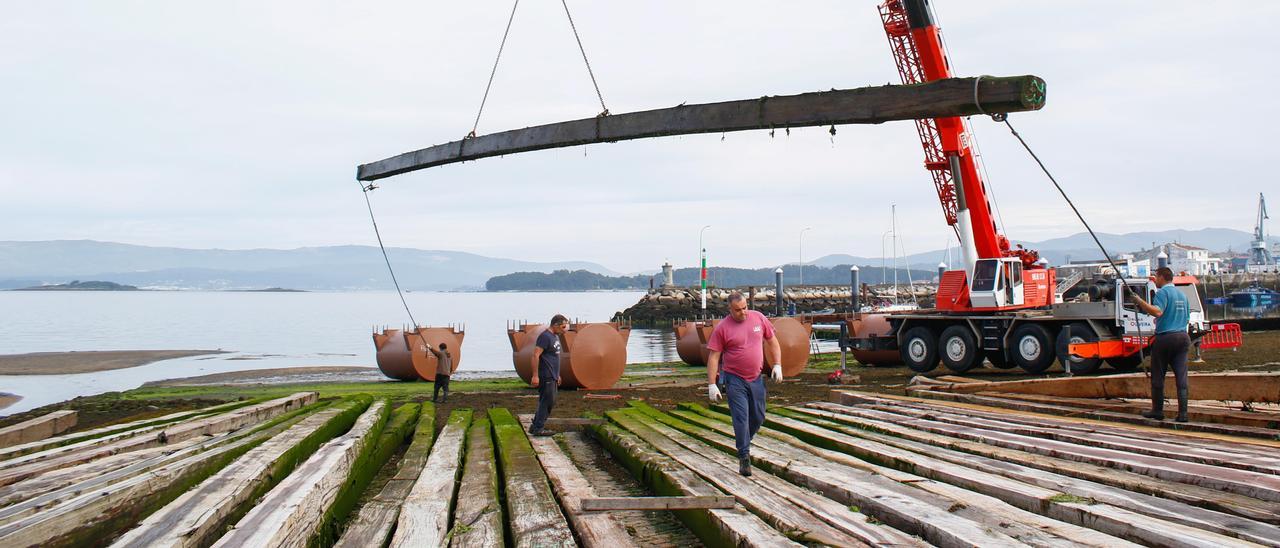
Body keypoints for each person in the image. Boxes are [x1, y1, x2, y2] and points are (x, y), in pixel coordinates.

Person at [706, 292, 782, 476]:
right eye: (738, 310)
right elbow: (713, 356)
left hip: (756, 377)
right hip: (734, 379)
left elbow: (772, 342)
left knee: (758, 416)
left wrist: (777, 365)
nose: (743, 312)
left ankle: (744, 442)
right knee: (741, 418)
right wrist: (712, 384)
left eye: (745, 307)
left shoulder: (758, 318)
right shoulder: (723, 328)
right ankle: (744, 456)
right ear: (730, 310)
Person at [1128, 267, 1191, 422]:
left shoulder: (1162, 293)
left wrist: (1139, 301)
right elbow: (1187, 317)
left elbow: (1157, 312)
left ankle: (1157, 411)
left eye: (1156, 276)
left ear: (1162, 277)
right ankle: (1183, 414)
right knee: (1181, 376)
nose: (1155, 279)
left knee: (1158, 375)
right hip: (1183, 337)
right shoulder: (1183, 295)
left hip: (1166, 338)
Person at [528, 314, 568, 436]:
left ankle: (535, 426)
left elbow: (553, 357)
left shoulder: (554, 336)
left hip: (553, 375)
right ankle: (539, 428)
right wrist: (535, 375)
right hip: (546, 375)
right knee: (547, 401)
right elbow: (535, 355)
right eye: (563, 326)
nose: (564, 329)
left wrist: (558, 375)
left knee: (547, 401)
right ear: (556, 325)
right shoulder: (545, 336)